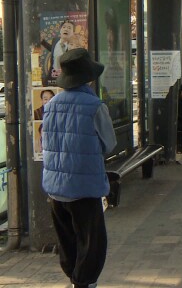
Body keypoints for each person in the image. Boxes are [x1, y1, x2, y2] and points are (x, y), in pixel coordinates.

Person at [41, 48, 116, 288]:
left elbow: (47, 143)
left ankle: (74, 279)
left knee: (68, 242)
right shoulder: (95, 106)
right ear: (89, 77)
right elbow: (109, 144)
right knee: (92, 242)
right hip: (85, 189)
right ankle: (83, 283)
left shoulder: (50, 104)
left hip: (55, 190)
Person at [41, 20, 77, 85]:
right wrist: (42, 41)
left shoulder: (73, 47)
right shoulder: (55, 40)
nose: (66, 29)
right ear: (60, 30)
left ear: (73, 33)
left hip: (65, 79)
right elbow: (53, 50)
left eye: (69, 28)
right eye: (64, 27)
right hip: (51, 77)